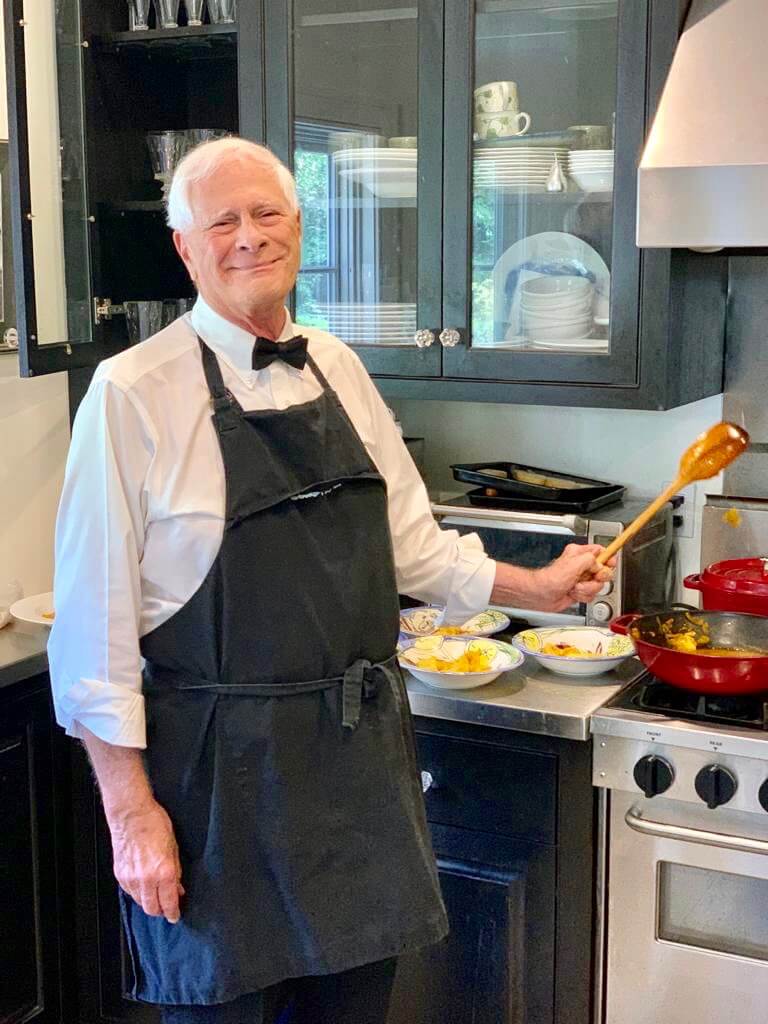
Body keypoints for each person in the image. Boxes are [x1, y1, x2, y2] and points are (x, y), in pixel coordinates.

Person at [48, 137, 612, 1024]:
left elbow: (414, 550)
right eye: (221, 221)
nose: (248, 237)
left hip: (355, 776)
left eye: (267, 214)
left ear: (298, 228)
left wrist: (536, 588)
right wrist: (131, 815)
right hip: (215, 790)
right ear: (185, 247)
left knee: (352, 1008)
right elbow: (91, 637)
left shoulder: (339, 367)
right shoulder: (129, 394)